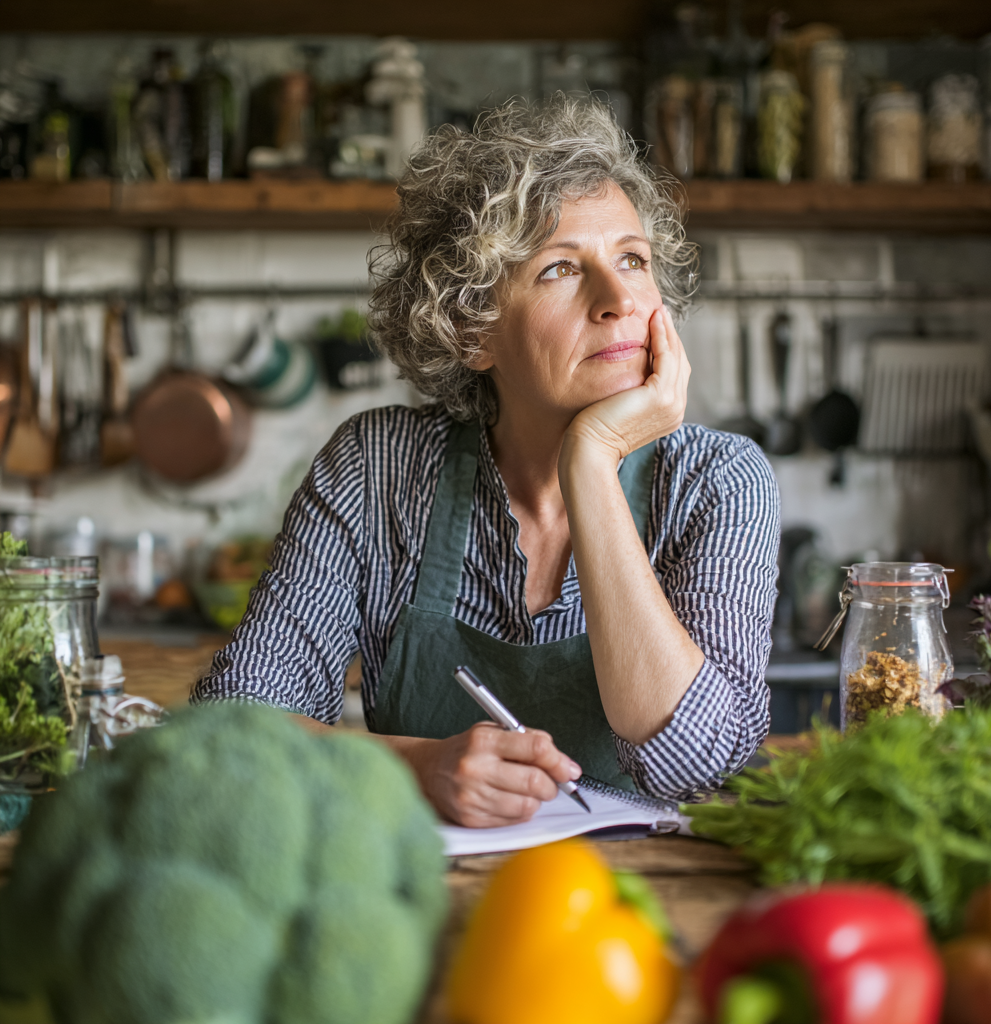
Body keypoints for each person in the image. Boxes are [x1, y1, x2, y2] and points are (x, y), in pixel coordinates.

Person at [193, 97, 780, 828]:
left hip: (642, 908)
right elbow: (231, 729)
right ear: (472, 330)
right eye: (562, 269)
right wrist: (414, 768)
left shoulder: (716, 481)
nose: (619, 299)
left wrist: (591, 464)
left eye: (632, 258)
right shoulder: (378, 469)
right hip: (418, 898)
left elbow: (690, 763)